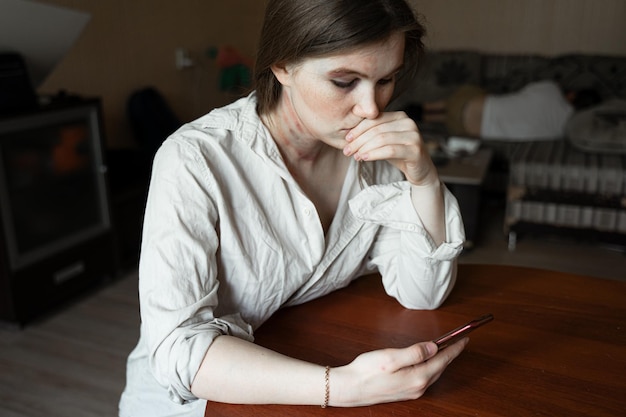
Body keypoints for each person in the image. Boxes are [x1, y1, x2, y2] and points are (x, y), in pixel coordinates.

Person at [118, 0, 466, 415]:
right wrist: (341, 386)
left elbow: (423, 294)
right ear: (282, 66)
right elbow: (180, 350)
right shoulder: (194, 160)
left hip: (303, 369)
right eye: (344, 81)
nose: (371, 109)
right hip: (199, 403)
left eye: (385, 80)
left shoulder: (376, 158)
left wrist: (423, 178)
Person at [406, 80, 602, 140]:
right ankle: (427, 119)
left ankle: (426, 108)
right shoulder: (562, 131)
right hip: (470, 130)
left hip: (473, 105)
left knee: (457, 101)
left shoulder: (551, 89)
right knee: (448, 119)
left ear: (573, 95)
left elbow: (525, 89)